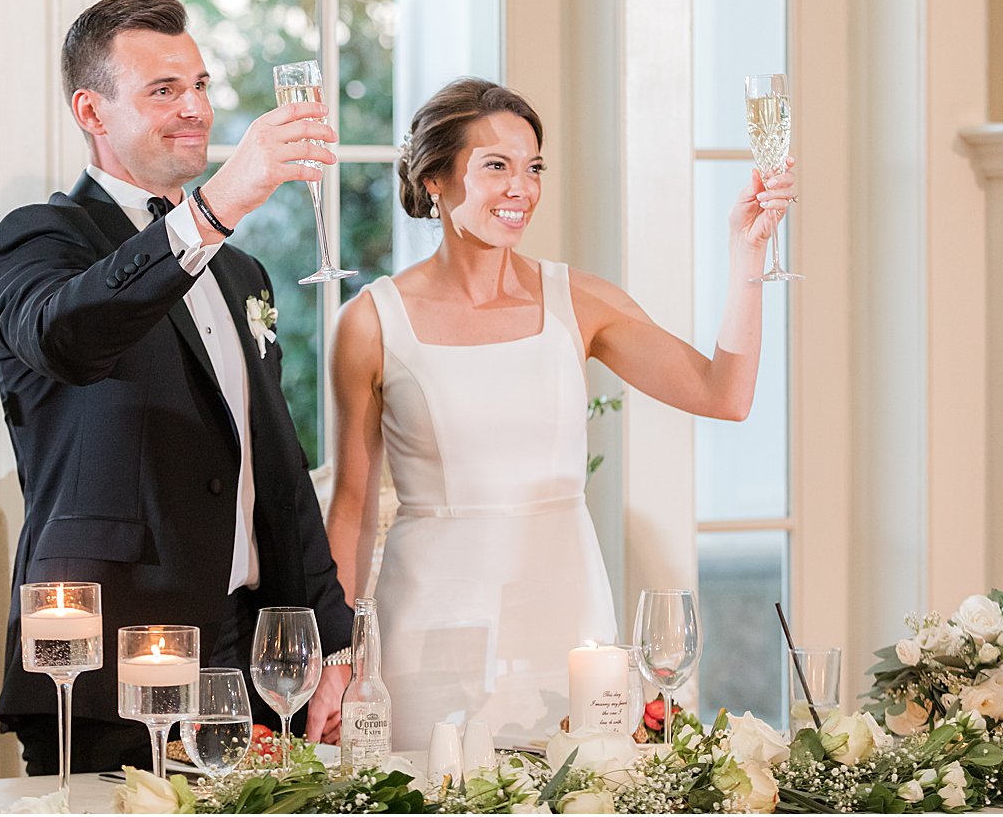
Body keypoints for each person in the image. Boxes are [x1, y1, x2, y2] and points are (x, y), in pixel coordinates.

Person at [326, 78, 795, 750]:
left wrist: (747, 255)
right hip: (429, 628)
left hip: (567, 620)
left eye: (533, 167)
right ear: (434, 178)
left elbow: (725, 394)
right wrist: (340, 659)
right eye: (496, 166)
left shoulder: (578, 301)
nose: (522, 188)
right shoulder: (372, 321)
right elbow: (353, 509)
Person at [0, 0, 354, 773]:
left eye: (201, 85)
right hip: (109, 653)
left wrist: (332, 640)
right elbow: (72, 336)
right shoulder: (40, 239)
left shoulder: (243, 273)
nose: (195, 109)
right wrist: (216, 208)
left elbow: (277, 471)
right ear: (91, 109)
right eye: (164, 91)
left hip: (254, 658)